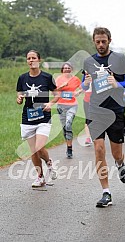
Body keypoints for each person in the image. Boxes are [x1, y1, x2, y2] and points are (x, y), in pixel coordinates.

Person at [81, 27, 125, 207]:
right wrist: (85, 83)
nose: (100, 44)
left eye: (103, 41)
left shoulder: (119, 59)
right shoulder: (89, 61)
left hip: (115, 110)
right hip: (95, 109)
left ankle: (120, 164)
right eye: (97, 41)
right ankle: (106, 193)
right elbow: (83, 86)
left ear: (109, 40)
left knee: (116, 153)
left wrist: (119, 83)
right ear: (93, 41)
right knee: (98, 150)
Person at [16, 50, 58, 188]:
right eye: (29, 58)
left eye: (34, 58)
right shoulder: (22, 78)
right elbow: (19, 98)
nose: (31, 60)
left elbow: (57, 94)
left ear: (39, 60)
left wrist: (51, 104)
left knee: (39, 148)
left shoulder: (47, 77)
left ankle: (49, 163)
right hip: (28, 117)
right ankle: (40, 177)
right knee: (33, 150)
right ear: (27, 61)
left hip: (43, 116)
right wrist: (19, 98)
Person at [55, 62, 83, 158]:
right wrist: (62, 86)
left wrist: (78, 92)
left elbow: (82, 88)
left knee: (68, 124)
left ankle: (69, 148)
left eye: (68, 68)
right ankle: (69, 147)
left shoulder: (75, 79)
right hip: (61, 105)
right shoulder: (58, 79)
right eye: (65, 68)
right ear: (62, 70)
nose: (66, 69)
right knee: (65, 128)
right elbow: (55, 91)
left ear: (71, 69)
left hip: (72, 105)